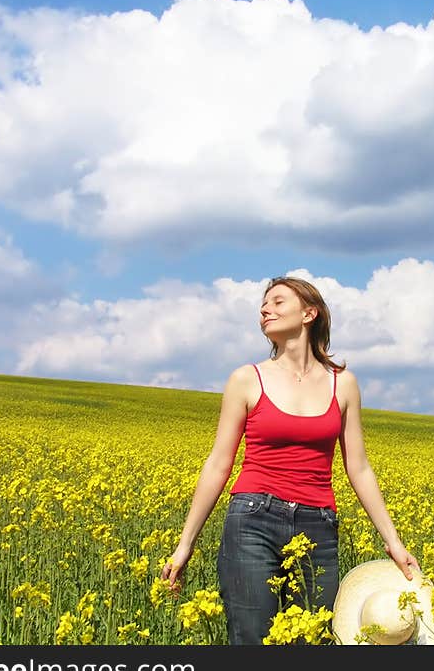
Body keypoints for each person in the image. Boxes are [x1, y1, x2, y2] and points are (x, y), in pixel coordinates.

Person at [160, 275, 419, 644]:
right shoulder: (246, 380)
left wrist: (393, 541)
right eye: (264, 305)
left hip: (319, 527)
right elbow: (219, 463)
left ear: (309, 313)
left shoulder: (342, 384)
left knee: (312, 639)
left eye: (279, 301)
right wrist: (185, 544)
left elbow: (358, 467)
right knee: (252, 639)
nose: (266, 309)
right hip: (252, 521)